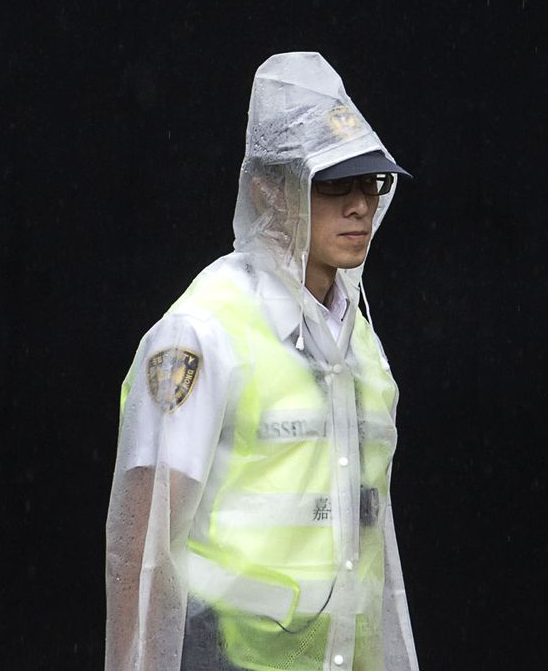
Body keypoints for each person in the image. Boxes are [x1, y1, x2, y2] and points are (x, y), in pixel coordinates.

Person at [106, 52, 424, 671]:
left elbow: (372, 544)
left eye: (372, 183)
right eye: (334, 183)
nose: (360, 205)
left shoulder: (359, 344)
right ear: (269, 191)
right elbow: (141, 551)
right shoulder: (202, 335)